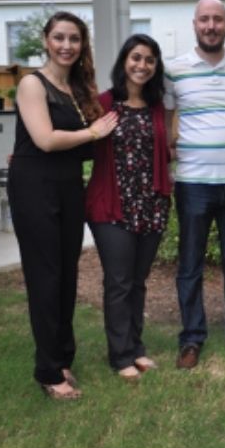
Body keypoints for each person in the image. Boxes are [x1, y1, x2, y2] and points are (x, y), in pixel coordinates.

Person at [8, 11, 118, 400]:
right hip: (35, 185)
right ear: (46, 40)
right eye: (59, 38)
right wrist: (93, 131)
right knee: (46, 277)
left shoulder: (76, 88)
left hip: (70, 186)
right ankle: (47, 370)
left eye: (74, 39)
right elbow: (45, 139)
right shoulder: (31, 85)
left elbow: (86, 145)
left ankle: (62, 356)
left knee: (67, 275)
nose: (67, 46)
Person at [164, 0, 225, 369]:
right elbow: (166, 119)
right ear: (194, 24)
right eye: (204, 19)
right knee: (190, 265)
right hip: (192, 184)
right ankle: (191, 338)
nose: (211, 26)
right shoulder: (175, 69)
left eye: (217, 19)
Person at [85, 34, 172, 381]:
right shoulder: (102, 103)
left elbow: (168, 149)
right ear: (124, 61)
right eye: (136, 58)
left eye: (150, 60)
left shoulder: (157, 108)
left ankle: (135, 347)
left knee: (138, 281)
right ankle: (120, 355)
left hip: (151, 205)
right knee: (119, 282)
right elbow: (78, 141)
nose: (142, 65)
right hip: (112, 207)